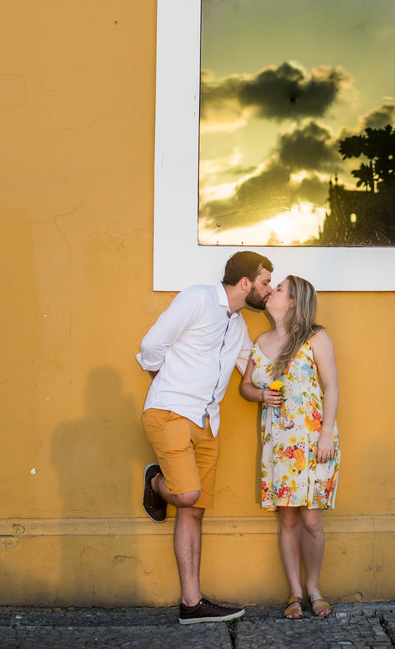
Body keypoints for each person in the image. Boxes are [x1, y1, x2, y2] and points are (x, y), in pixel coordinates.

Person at [137, 250, 273, 625]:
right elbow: (151, 346)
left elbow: (250, 367)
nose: (269, 289)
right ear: (245, 283)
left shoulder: (239, 326)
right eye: (265, 283)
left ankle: (191, 603)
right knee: (187, 495)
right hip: (171, 412)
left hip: (208, 423)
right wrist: (167, 384)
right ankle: (156, 481)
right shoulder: (197, 298)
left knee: (193, 511)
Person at [238, 275, 340, 619]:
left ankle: (314, 589)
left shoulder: (315, 338)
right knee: (288, 521)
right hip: (279, 445)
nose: (270, 292)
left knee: (311, 520)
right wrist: (260, 394)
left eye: (278, 289)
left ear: (293, 301)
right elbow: (245, 387)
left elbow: (332, 387)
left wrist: (326, 434)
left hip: (313, 443)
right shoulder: (261, 341)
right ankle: (294, 594)